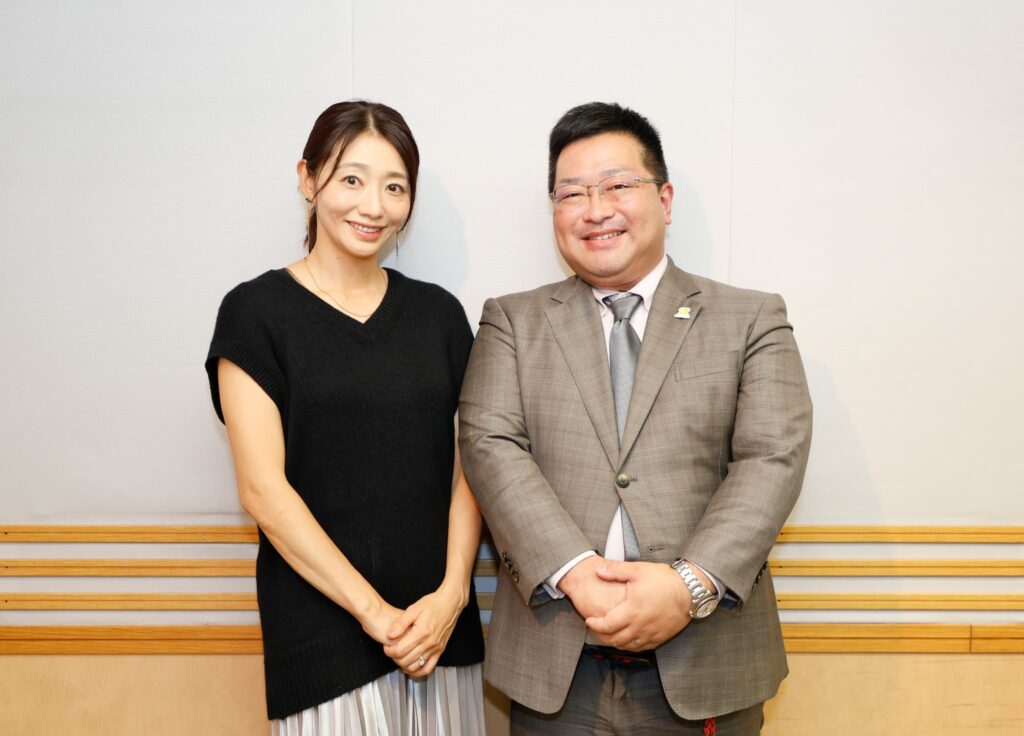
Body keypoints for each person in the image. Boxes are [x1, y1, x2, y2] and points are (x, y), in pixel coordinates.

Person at [459, 102, 812, 734]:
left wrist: (685, 587)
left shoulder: (751, 318)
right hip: (555, 666)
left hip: (707, 661)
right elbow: (490, 444)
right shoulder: (511, 320)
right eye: (572, 193)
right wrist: (575, 573)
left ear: (664, 200)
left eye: (618, 185)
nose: (596, 209)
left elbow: (772, 458)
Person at [205, 100, 485, 734]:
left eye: (395, 187)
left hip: (440, 632)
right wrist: (375, 615)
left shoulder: (440, 316)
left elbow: (473, 465)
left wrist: (452, 594)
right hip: (322, 637)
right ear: (308, 180)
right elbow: (262, 489)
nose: (373, 206)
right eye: (351, 179)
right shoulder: (255, 313)